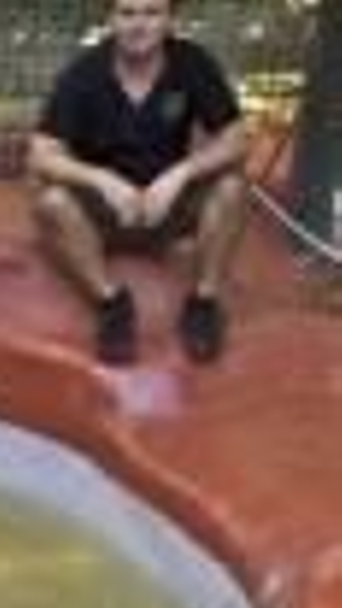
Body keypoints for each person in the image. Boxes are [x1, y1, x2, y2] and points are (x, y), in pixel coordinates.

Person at [27, 0, 249, 367]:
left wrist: (180, 174)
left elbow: (237, 139)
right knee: (50, 201)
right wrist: (101, 179)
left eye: (151, 12)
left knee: (232, 187)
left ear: (169, 20)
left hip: (167, 209)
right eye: (127, 13)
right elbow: (40, 154)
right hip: (104, 215)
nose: (139, 25)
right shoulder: (84, 72)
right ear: (110, 19)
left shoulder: (191, 62)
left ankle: (204, 301)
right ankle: (111, 304)